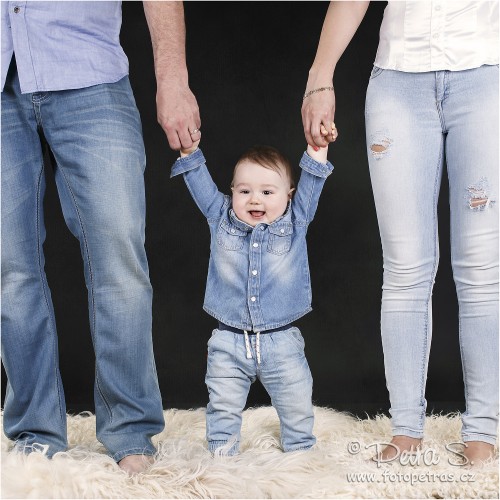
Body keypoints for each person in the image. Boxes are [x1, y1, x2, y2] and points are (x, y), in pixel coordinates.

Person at [1, 1, 200, 474]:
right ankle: (35, 436)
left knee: (118, 260)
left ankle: (130, 431)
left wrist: (173, 79)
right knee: (10, 270)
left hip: (89, 71)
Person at [302, 1, 499, 464]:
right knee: (405, 266)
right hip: (398, 78)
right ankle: (406, 429)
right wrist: (319, 78)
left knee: (481, 267)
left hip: (485, 74)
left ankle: (483, 432)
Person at [171, 128, 335, 455]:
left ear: (289, 195)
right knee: (222, 407)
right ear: (231, 192)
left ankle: (301, 453)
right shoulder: (221, 218)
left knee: (297, 403)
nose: (255, 199)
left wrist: (318, 149)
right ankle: (222, 457)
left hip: (281, 340)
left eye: (267, 192)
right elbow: (200, 184)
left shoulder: (296, 219)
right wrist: (189, 152)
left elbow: (313, 181)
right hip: (229, 340)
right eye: (244, 190)